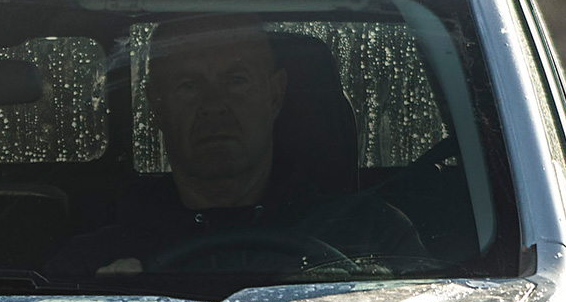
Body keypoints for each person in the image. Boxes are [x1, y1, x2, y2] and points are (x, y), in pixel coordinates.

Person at [43, 15, 423, 280]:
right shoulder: (94, 258)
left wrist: (365, 294)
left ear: (274, 95)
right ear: (157, 106)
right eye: (188, 85)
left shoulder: (372, 238)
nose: (213, 104)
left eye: (236, 79)